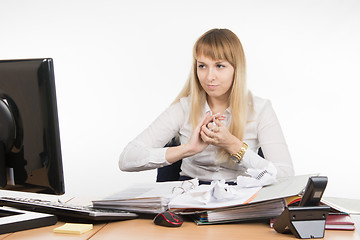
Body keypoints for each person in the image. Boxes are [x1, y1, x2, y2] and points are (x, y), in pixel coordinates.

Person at [119, 28, 294, 183]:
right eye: (202, 66)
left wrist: (234, 146)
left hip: (242, 200)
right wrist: (187, 149)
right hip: (189, 200)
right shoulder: (183, 108)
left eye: (219, 66)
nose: (209, 76)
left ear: (236, 69)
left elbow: (286, 177)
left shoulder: (260, 109)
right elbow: (127, 158)